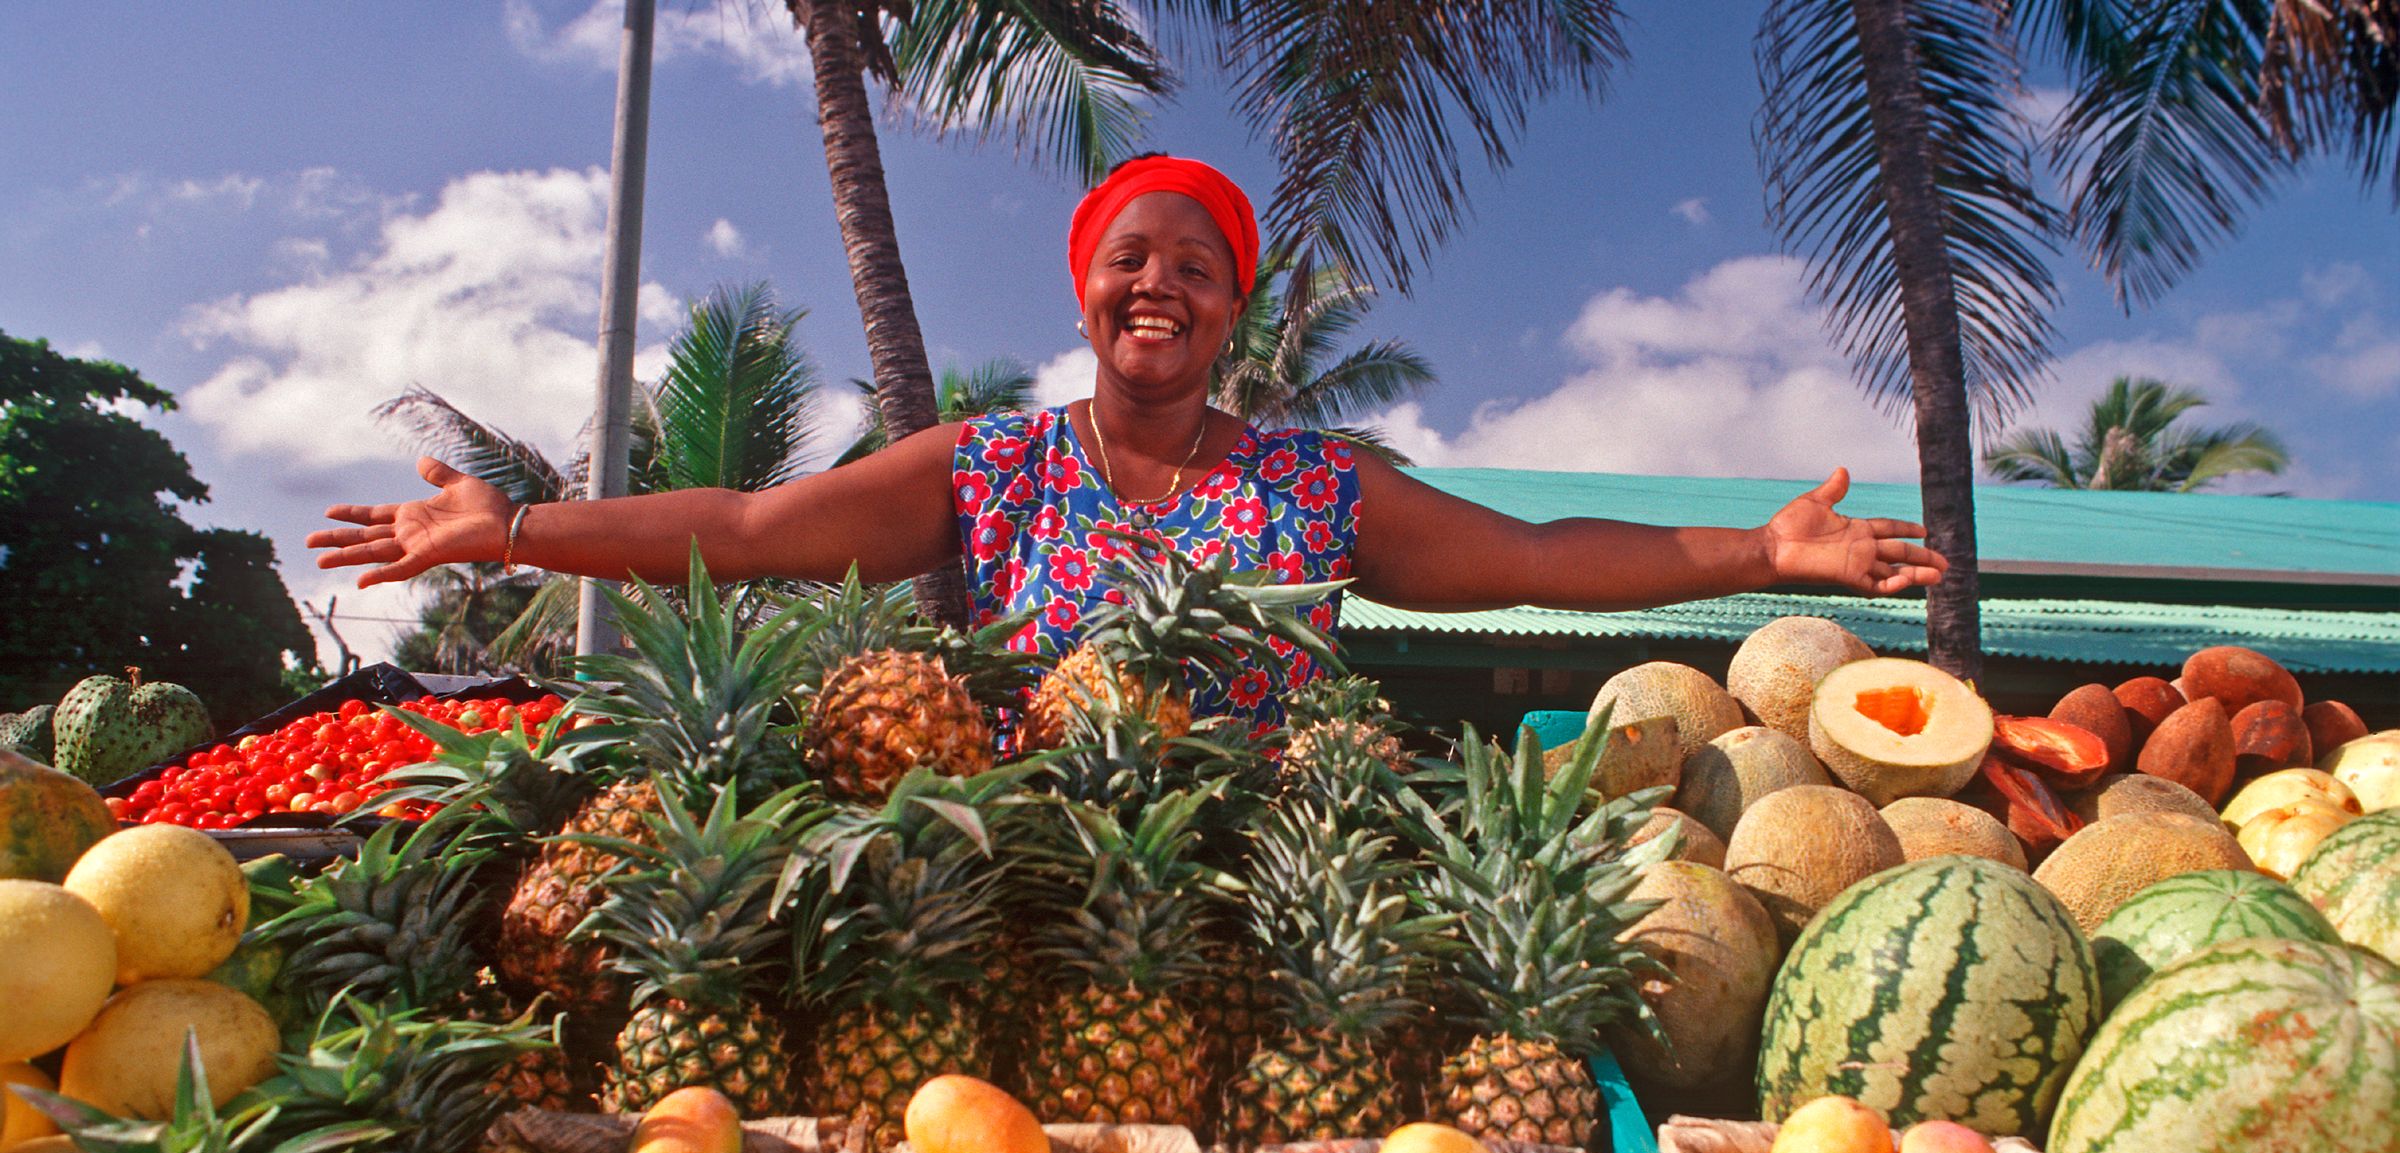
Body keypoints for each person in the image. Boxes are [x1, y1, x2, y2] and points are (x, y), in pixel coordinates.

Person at [311, 154, 1945, 735]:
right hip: (1036, 870)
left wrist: (1762, 553)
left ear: (1232, 310)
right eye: (1130, 257)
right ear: (1088, 290)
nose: (1158, 281)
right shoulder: (990, 465)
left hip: (1265, 887)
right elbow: (746, 527)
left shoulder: (1319, 484)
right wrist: (514, 528)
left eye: (1198, 265)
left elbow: (1529, 562)